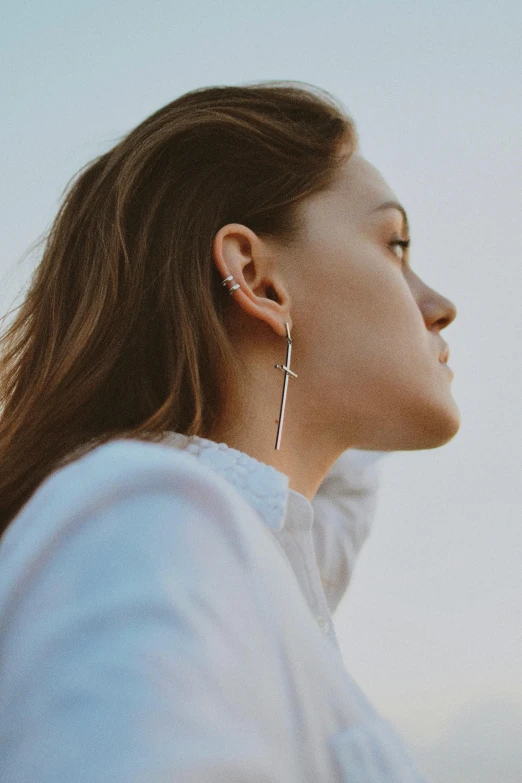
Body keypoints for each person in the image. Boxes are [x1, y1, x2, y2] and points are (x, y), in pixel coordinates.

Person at [0, 81, 458, 781]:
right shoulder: (148, 522)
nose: (440, 304)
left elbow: (340, 494)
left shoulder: (244, 556)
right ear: (255, 277)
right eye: (394, 243)